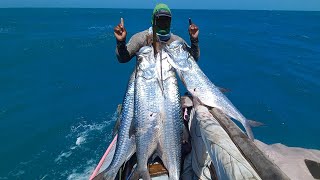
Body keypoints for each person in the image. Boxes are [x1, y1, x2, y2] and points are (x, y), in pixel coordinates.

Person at [113, 3, 200, 63]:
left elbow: (193, 59)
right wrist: (121, 42)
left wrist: (194, 40)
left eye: (166, 19)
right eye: (159, 19)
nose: (163, 22)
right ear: (153, 20)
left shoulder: (177, 41)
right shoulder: (141, 38)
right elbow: (123, 59)